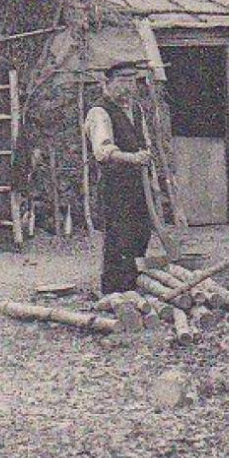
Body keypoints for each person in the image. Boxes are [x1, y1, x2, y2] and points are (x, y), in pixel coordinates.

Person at [83, 62, 155, 295]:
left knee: (141, 231)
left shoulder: (136, 110)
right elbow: (103, 151)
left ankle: (134, 286)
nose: (128, 87)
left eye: (132, 81)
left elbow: (145, 141)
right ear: (107, 83)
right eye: (122, 82)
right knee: (119, 237)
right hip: (115, 183)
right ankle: (114, 292)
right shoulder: (100, 112)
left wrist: (145, 159)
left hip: (138, 182)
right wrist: (132, 158)